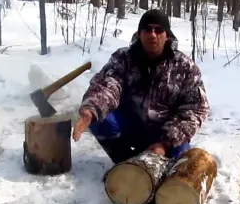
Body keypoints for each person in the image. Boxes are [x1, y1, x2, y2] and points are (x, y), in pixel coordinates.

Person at [73, 9, 210, 164]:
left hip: (165, 133)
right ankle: (124, 164)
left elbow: (195, 109)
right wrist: (91, 110)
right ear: (139, 33)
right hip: (131, 126)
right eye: (148, 29)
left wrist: (165, 143)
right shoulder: (123, 58)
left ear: (167, 36)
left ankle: (157, 167)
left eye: (159, 30)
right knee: (100, 119)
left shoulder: (185, 67)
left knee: (181, 156)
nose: (153, 34)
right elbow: (107, 86)